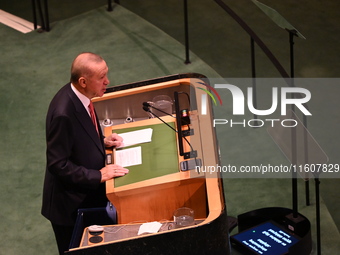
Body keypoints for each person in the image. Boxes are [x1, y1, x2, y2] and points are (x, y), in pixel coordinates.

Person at [41, 52, 129, 255]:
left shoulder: (82, 96)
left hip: (88, 197)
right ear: (83, 81)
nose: (107, 81)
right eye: (101, 77)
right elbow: (57, 164)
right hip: (70, 208)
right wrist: (99, 175)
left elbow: (79, 135)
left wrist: (101, 141)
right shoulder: (63, 113)